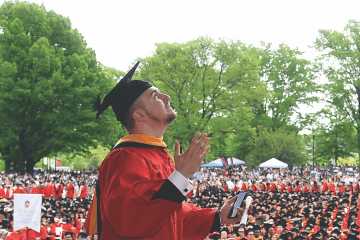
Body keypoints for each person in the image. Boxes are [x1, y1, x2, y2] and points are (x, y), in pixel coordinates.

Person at [85, 62, 246, 240]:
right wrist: (181, 175)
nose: (166, 96)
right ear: (140, 115)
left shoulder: (154, 154)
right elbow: (130, 221)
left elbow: (167, 216)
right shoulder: (124, 157)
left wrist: (217, 218)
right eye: (155, 96)